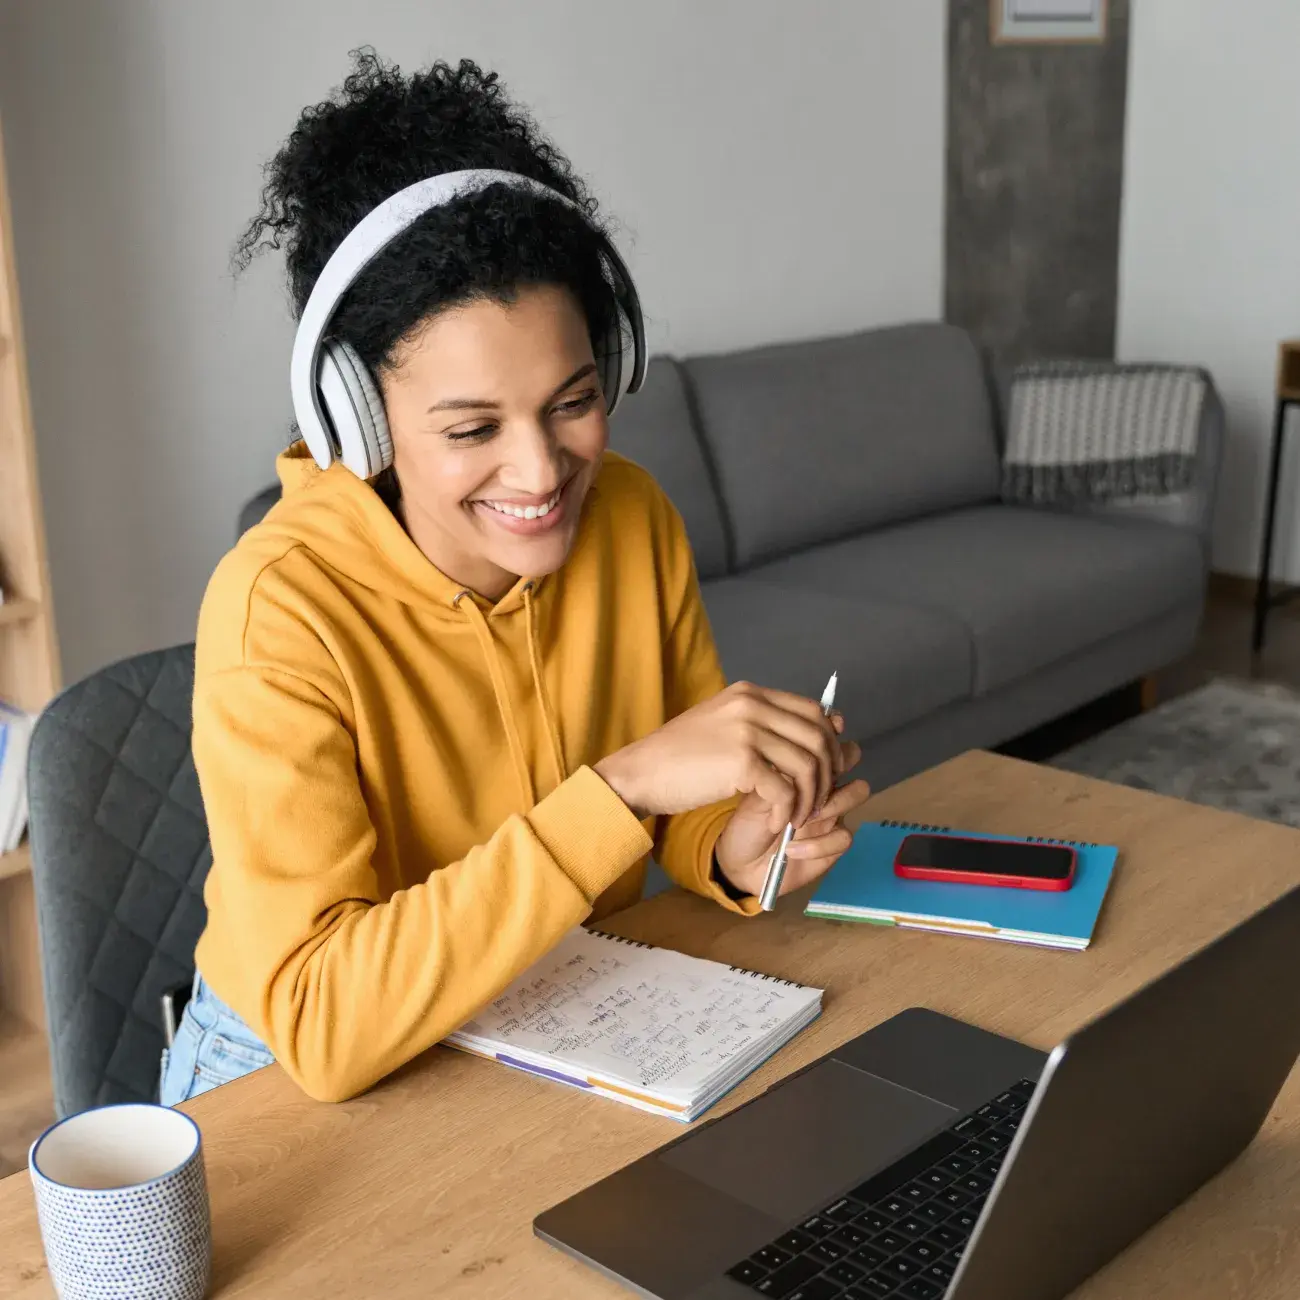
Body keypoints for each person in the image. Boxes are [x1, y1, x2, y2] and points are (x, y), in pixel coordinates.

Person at [159, 50, 870, 1107]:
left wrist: (734, 841)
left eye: (572, 401)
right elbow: (321, 1017)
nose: (542, 471)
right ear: (360, 424)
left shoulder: (632, 516)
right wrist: (620, 787)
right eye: (472, 428)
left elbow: (676, 811)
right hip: (289, 1075)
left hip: (553, 1007)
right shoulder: (278, 612)